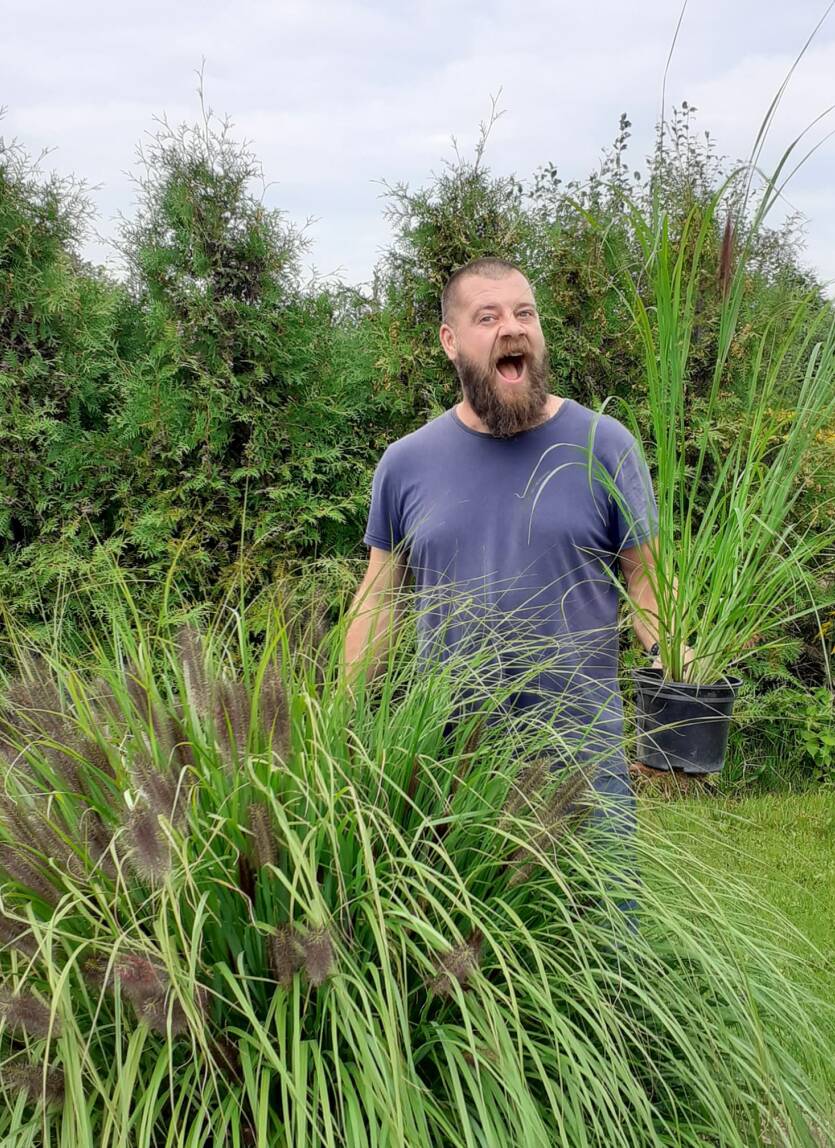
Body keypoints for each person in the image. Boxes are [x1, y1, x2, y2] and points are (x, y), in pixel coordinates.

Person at [342, 256, 666, 861]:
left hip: (584, 763)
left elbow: (646, 583)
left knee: (607, 945)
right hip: (449, 768)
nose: (511, 328)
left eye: (524, 313)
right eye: (486, 317)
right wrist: (341, 720)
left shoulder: (606, 444)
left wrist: (678, 676)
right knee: (459, 950)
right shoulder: (406, 463)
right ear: (449, 341)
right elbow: (378, 601)